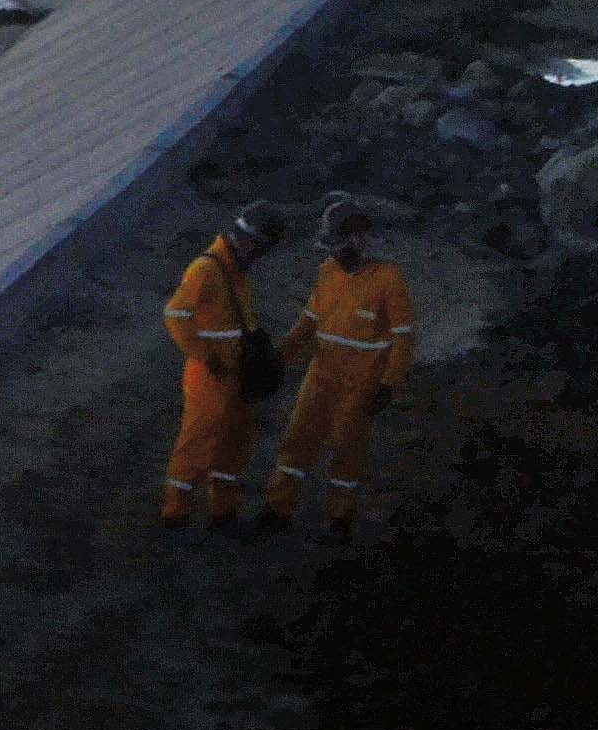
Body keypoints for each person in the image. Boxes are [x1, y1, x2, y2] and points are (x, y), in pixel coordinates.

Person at [256, 196, 416, 534]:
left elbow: (404, 338)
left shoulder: (388, 280)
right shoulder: (327, 272)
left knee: (346, 450)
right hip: (321, 376)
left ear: (357, 239)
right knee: (296, 442)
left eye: (338, 244)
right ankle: (276, 511)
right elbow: (307, 323)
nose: (333, 253)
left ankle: (339, 520)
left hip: (361, 384)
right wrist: (278, 359)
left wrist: (388, 384)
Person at [162, 203, 281, 527]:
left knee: (235, 442)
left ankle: (223, 511)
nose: (259, 257)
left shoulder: (232, 271)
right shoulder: (206, 270)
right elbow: (175, 314)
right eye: (259, 249)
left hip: (235, 374)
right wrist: (205, 354)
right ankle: (175, 513)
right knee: (198, 441)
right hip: (211, 375)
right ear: (248, 242)